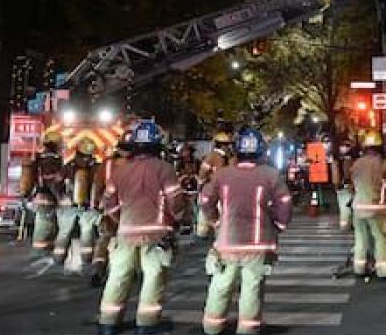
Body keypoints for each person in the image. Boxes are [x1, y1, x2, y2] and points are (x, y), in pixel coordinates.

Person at [200, 128, 292, 335]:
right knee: (252, 288)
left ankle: (212, 326)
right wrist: (279, 226)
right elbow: (285, 203)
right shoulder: (270, 175)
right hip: (258, 243)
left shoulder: (222, 175)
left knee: (220, 285)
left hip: (227, 241)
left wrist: (215, 222)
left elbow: (205, 201)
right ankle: (248, 329)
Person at [97, 120, 185, 335]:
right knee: (153, 278)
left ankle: (108, 322)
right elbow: (176, 202)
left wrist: (122, 222)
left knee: (118, 277)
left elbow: (109, 204)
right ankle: (147, 324)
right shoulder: (165, 169)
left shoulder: (119, 172)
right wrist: (177, 221)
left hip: (125, 233)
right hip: (156, 235)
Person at [89, 130, 133, 287]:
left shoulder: (107, 164)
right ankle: (125, 272)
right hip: (131, 210)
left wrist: (94, 204)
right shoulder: (139, 165)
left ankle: (98, 268)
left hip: (109, 208)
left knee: (104, 239)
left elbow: (98, 185)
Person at [350, 130, 386, 278]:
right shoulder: (383, 164)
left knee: (360, 239)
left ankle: (359, 268)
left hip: (358, 209)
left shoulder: (356, 164)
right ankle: (383, 270)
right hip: (377, 209)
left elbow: (351, 185)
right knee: (381, 238)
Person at [53, 137, 99, 265]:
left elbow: (56, 184)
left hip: (69, 207)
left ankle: (58, 259)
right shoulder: (95, 168)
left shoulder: (68, 167)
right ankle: (87, 259)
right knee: (87, 232)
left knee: (65, 232)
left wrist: (60, 197)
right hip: (87, 208)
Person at [20, 129, 65, 256]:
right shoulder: (52, 160)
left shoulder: (41, 158)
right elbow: (52, 181)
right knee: (45, 226)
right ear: (55, 144)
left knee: (47, 225)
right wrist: (59, 197)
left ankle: (43, 252)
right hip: (47, 197)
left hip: (40, 196)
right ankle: (40, 254)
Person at [196, 131, 233, 238]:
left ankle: (210, 232)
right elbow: (203, 173)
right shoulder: (217, 157)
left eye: (227, 144)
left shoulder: (223, 157)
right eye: (225, 144)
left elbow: (202, 173)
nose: (227, 147)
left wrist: (200, 185)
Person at [331, 138, 356, 231]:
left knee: (346, 207)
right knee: (347, 207)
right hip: (346, 186)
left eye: (347, 146)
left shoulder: (338, 159)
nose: (345, 148)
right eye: (344, 145)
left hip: (347, 186)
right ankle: (347, 224)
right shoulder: (351, 159)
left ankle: (346, 224)